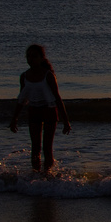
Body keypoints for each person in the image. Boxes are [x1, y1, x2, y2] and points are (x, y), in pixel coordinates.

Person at [9, 44, 71, 174]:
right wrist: (14, 118)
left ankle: (48, 175)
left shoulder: (48, 75)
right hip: (34, 111)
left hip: (49, 111)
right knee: (35, 147)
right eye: (28, 57)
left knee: (47, 148)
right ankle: (35, 174)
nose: (31, 59)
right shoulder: (24, 76)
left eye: (34, 56)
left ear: (41, 58)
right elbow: (21, 99)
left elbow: (57, 98)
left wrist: (66, 121)